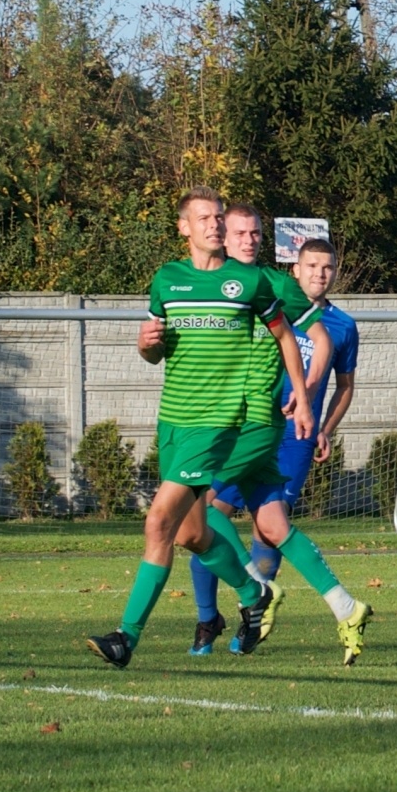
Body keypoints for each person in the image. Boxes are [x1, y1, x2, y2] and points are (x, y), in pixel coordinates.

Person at [87, 188, 313, 668]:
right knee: (191, 534)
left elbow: (286, 337)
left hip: (217, 423)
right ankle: (255, 594)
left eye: (218, 218)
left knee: (158, 523)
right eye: (204, 218)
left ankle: (125, 637)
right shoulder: (167, 281)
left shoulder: (248, 282)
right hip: (173, 418)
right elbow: (155, 350)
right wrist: (145, 343)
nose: (214, 225)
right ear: (184, 228)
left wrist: (302, 394)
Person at [188, 220, 372, 666]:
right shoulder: (265, 295)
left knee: (235, 524)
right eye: (311, 265)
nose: (319, 274)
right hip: (250, 424)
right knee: (213, 519)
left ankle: (255, 605)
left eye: (327, 267)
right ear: (295, 268)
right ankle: (222, 611)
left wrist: (318, 416)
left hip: (293, 435)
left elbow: (340, 380)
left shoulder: (340, 324)